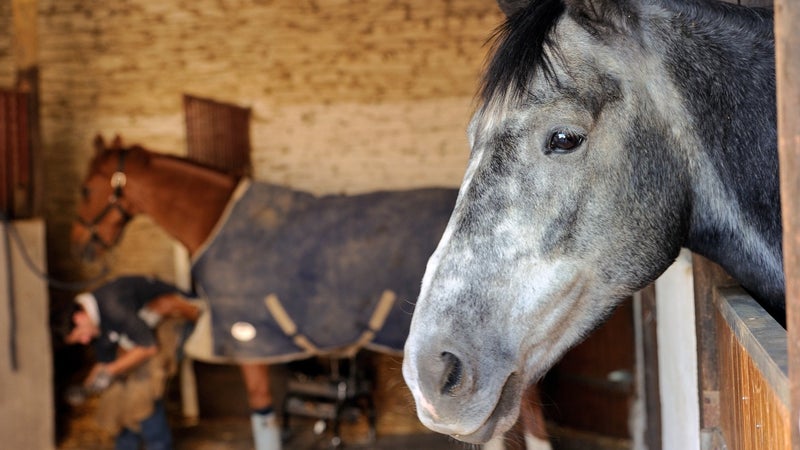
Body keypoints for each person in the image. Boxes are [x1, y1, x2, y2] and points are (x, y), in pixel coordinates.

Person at [61, 275, 201, 450]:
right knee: (115, 398)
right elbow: (106, 361)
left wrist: (111, 370)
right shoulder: (94, 326)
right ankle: (126, 446)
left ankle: (158, 445)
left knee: (143, 391)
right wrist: (88, 386)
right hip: (142, 338)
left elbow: (149, 348)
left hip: (172, 317)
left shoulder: (113, 305)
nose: (84, 340)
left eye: (80, 335)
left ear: (80, 318)